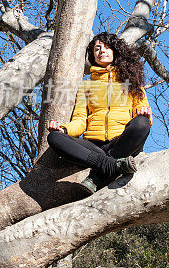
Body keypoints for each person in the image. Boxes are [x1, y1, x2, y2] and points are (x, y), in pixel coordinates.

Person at [46, 32, 152, 193]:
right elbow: (80, 120)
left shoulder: (132, 83)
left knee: (142, 123)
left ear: (116, 51)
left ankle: (97, 176)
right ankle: (111, 166)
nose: (102, 51)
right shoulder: (86, 87)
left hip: (122, 142)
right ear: (93, 56)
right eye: (97, 48)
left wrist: (145, 113)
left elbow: (143, 112)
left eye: (107, 47)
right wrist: (64, 129)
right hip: (94, 146)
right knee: (54, 137)